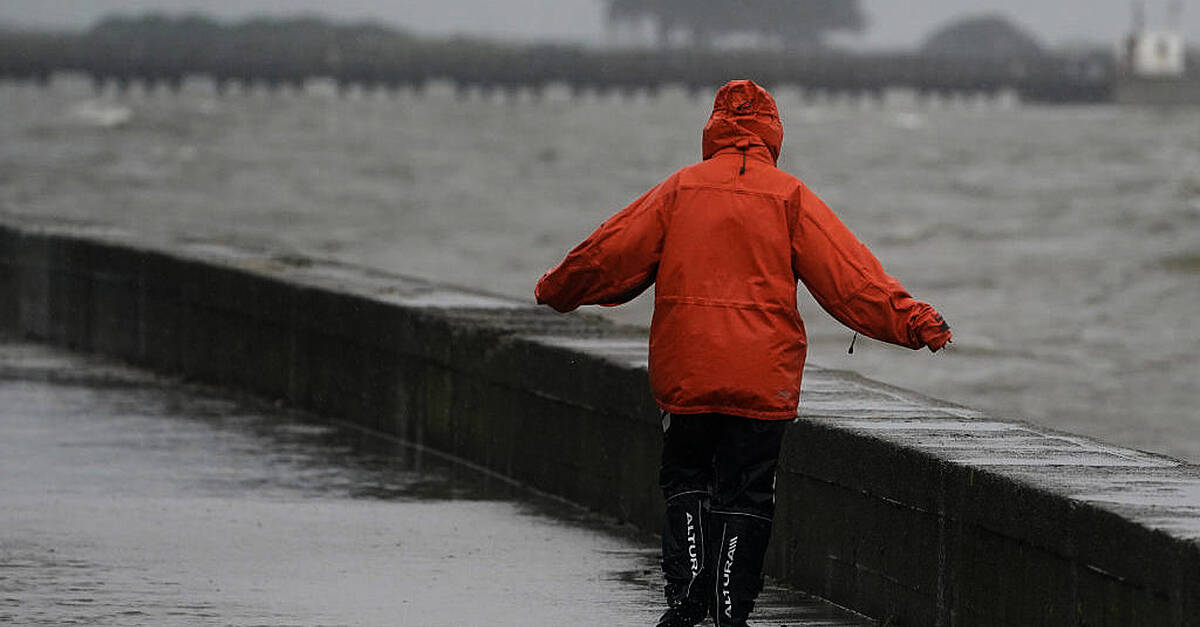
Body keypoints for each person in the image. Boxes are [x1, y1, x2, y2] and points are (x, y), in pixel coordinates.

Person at [534, 79, 952, 627]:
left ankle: (686, 603)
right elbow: (852, 281)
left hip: (687, 372)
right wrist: (917, 321)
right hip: (762, 378)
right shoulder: (790, 197)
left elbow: (609, 256)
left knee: (685, 481)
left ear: (713, 129)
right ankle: (731, 613)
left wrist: (556, 289)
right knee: (748, 494)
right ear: (772, 132)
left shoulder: (679, 190)